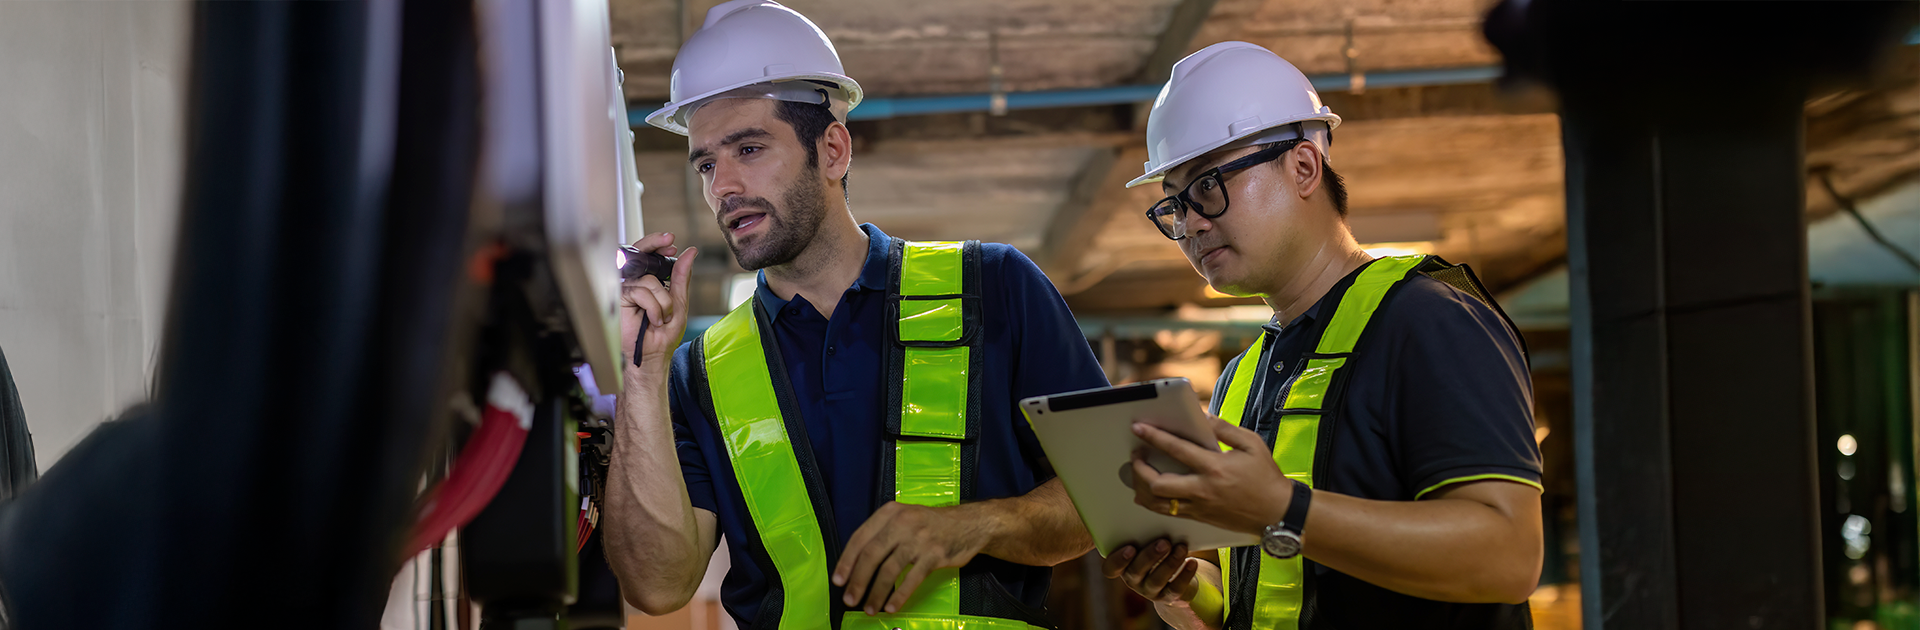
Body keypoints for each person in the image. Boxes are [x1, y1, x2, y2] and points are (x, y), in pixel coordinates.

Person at [599, 2, 1106, 628]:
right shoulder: (696, 372)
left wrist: (975, 526)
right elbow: (657, 586)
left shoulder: (997, 286)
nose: (722, 186)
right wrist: (639, 377)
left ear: (833, 149)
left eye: (749, 148)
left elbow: (1110, 497)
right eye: (706, 163)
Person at [1101, 41, 1545, 630]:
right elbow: (1268, 597)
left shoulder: (1426, 319)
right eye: (1176, 205)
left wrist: (1282, 510)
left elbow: (1509, 556)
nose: (1192, 224)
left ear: (1304, 167)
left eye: (1209, 185)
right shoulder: (1242, 377)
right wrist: (1186, 590)